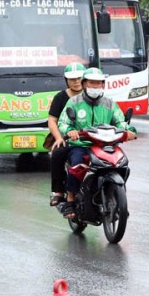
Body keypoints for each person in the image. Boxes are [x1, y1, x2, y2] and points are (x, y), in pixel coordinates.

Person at [58, 67, 136, 218]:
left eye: (98, 83)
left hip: (106, 146)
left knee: (122, 163)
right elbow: (63, 123)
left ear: (103, 85)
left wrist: (130, 131)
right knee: (77, 164)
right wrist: (69, 131)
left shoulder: (109, 104)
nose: (95, 87)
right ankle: (70, 200)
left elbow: (121, 122)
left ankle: (119, 197)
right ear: (84, 84)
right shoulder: (73, 102)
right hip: (81, 145)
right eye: (92, 83)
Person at [46, 62, 88, 207]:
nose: (76, 82)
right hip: (68, 138)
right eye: (72, 79)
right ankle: (58, 192)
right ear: (66, 80)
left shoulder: (93, 96)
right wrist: (59, 137)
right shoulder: (60, 97)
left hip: (91, 138)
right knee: (57, 153)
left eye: (79, 78)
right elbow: (52, 120)